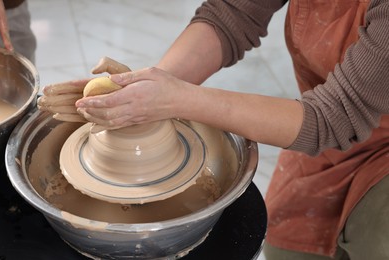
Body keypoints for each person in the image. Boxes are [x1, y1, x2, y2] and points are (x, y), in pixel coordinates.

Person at [39, 0, 389, 259]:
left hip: (368, 136)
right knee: (288, 250)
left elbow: (335, 117)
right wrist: (144, 90)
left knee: (375, 243)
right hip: (332, 134)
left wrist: (178, 101)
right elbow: (231, 15)